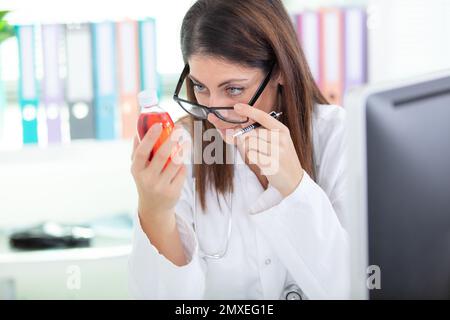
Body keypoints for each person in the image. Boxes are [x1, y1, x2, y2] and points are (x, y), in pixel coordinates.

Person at [129, 0, 349, 299]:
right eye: (200, 87)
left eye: (233, 89)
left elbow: (353, 289)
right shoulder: (187, 145)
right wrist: (155, 212)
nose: (213, 113)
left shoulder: (338, 134)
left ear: (279, 72)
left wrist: (295, 188)